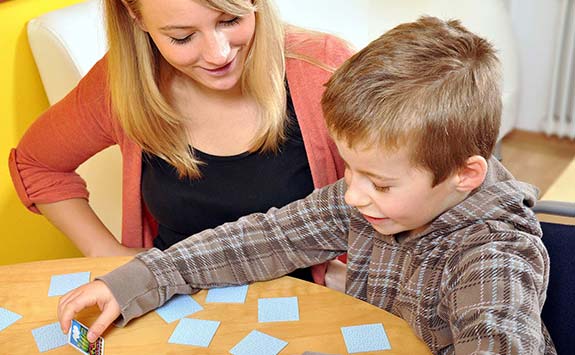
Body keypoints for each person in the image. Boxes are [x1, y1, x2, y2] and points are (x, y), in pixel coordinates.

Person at [57, 16, 555, 354]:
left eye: (379, 183)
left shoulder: (494, 256)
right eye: (350, 169)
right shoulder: (365, 201)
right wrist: (137, 280)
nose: (354, 194)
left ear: (465, 175)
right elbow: (262, 239)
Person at [8, 0, 353, 287]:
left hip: (308, 303)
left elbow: (398, 182)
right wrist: (106, 253)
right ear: (135, 16)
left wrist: (360, 267)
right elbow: (36, 164)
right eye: (183, 37)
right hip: (174, 299)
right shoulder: (123, 84)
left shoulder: (323, 65)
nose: (218, 54)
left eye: (230, 19)